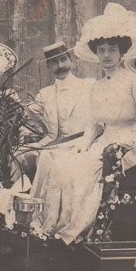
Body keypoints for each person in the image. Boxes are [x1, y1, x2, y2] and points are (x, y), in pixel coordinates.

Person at [51, 3, 136, 244]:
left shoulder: (135, 80)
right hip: (104, 140)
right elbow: (94, 125)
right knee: (64, 166)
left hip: (128, 140)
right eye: (101, 50)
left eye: (111, 49)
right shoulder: (96, 86)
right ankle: (61, 225)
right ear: (96, 53)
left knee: (87, 172)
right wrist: (83, 144)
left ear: (121, 52)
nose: (106, 55)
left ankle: (82, 230)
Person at [21, 41, 94, 233]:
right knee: (22, 154)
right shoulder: (45, 94)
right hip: (55, 142)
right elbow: (30, 116)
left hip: (81, 142)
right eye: (54, 62)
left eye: (63, 59)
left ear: (72, 60)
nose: (60, 66)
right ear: (48, 66)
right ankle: (26, 209)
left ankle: (58, 221)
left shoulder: (88, 86)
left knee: (52, 160)